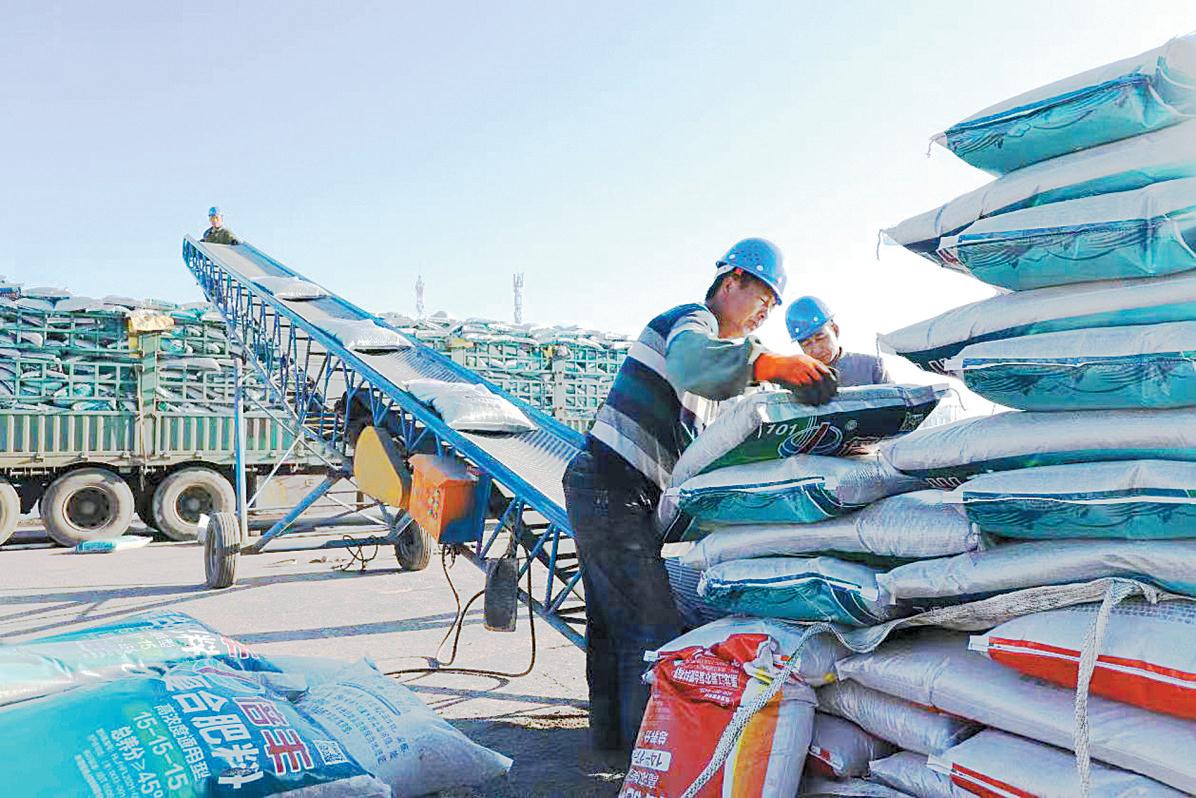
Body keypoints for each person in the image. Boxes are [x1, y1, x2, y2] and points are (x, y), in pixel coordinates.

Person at [561, 238, 837, 754]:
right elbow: (693, 363)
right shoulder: (691, 322)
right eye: (762, 299)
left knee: (612, 625)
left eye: (771, 307)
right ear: (731, 282)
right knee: (652, 628)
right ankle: (648, 762)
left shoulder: (721, 377)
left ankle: (611, 747)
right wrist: (771, 365)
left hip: (611, 488)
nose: (764, 314)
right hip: (611, 483)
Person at [786, 295, 891, 386]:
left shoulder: (872, 367)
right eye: (806, 343)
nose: (817, 350)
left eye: (820, 338)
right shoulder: (797, 381)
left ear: (835, 330)